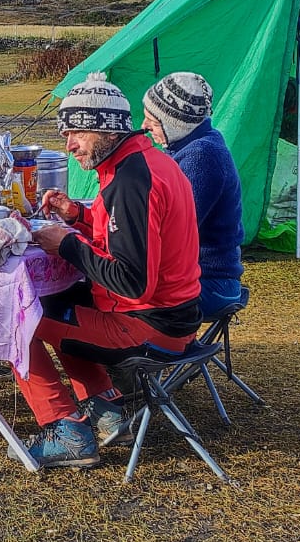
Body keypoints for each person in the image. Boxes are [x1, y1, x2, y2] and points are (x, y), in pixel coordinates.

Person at [13, 72, 202, 469]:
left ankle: (66, 431)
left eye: (77, 133)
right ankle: (106, 409)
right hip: (172, 315)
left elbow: (132, 282)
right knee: (57, 302)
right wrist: (77, 216)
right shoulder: (142, 163)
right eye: (67, 134)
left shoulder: (131, 182)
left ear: (107, 129)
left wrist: (66, 245)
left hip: (150, 325)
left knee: (14, 317)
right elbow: (126, 238)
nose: (69, 146)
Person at [142, 72, 245, 318]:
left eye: (152, 121)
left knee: (115, 296)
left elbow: (174, 231)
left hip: (209, 281)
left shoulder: (201, 156)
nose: (144, 127)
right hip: (202, 276)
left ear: (175, 124)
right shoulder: (188, 147)